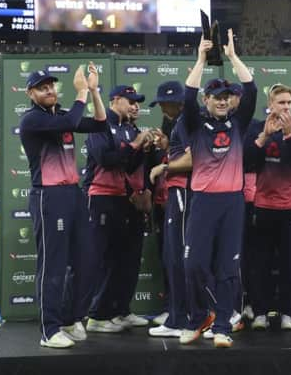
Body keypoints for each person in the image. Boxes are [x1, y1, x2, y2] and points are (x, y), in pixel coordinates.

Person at [19, 64, 107, 348]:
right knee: (53, 266)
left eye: (51, 85)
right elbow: (69, 124)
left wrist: (93, 92)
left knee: (87, 261)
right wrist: (81, 91)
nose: (49, 90)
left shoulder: (62, 115)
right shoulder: (32, 119)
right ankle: (49, 329)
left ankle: (71, 318)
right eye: (42, 87)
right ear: (30, 93)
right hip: (49, 197)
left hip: (73, 194)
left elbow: (101, 123)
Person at [180, 29, 257, 348]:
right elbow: (187, 96)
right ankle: (200, 317)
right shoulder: (195, 124)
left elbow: (251, 88)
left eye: (227, 95)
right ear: (207, 100)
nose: (223, 100)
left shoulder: (238, 123)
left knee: (228, 267)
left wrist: (233, 58)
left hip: (232, 203)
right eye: (217, 96)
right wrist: (200, 59)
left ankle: (222, 325)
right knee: (194, 264)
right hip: (203, 203)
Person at [84, 84, 152, 333]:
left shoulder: (130, 128)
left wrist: (143, 150)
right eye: (131, 100)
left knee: (128, 259)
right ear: (115, 100)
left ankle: (121, 310)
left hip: (128, 200)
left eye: (138, 102)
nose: (136, 105)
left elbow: (129, 166)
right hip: (102, 198)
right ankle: (97, 315)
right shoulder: (100, 124)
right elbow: (105, 159)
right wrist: (135, 145)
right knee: (106, 259)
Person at [246, 84, 291, 331]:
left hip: (290, 208)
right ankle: (260, 312)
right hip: (262, 206)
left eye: (288, 103)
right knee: (260, 264)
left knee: (290, 266)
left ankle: (287, 313)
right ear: (270, 104)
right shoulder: (255, 127)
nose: (285, 107)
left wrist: (290, 134)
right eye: (280, 103)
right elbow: (247, 162)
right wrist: (263, 137)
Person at [147, 81, 192, 338]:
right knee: (172, 257)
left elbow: (195, 158)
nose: (161, 107)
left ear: (177, 101)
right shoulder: (179, 123)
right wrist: (167, 148)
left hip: (184, 191)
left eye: (164, 102)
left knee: (178, 258)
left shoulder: (185, 122)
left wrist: (164, 167)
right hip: (179, 192)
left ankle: (182, 320)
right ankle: (178, 317)